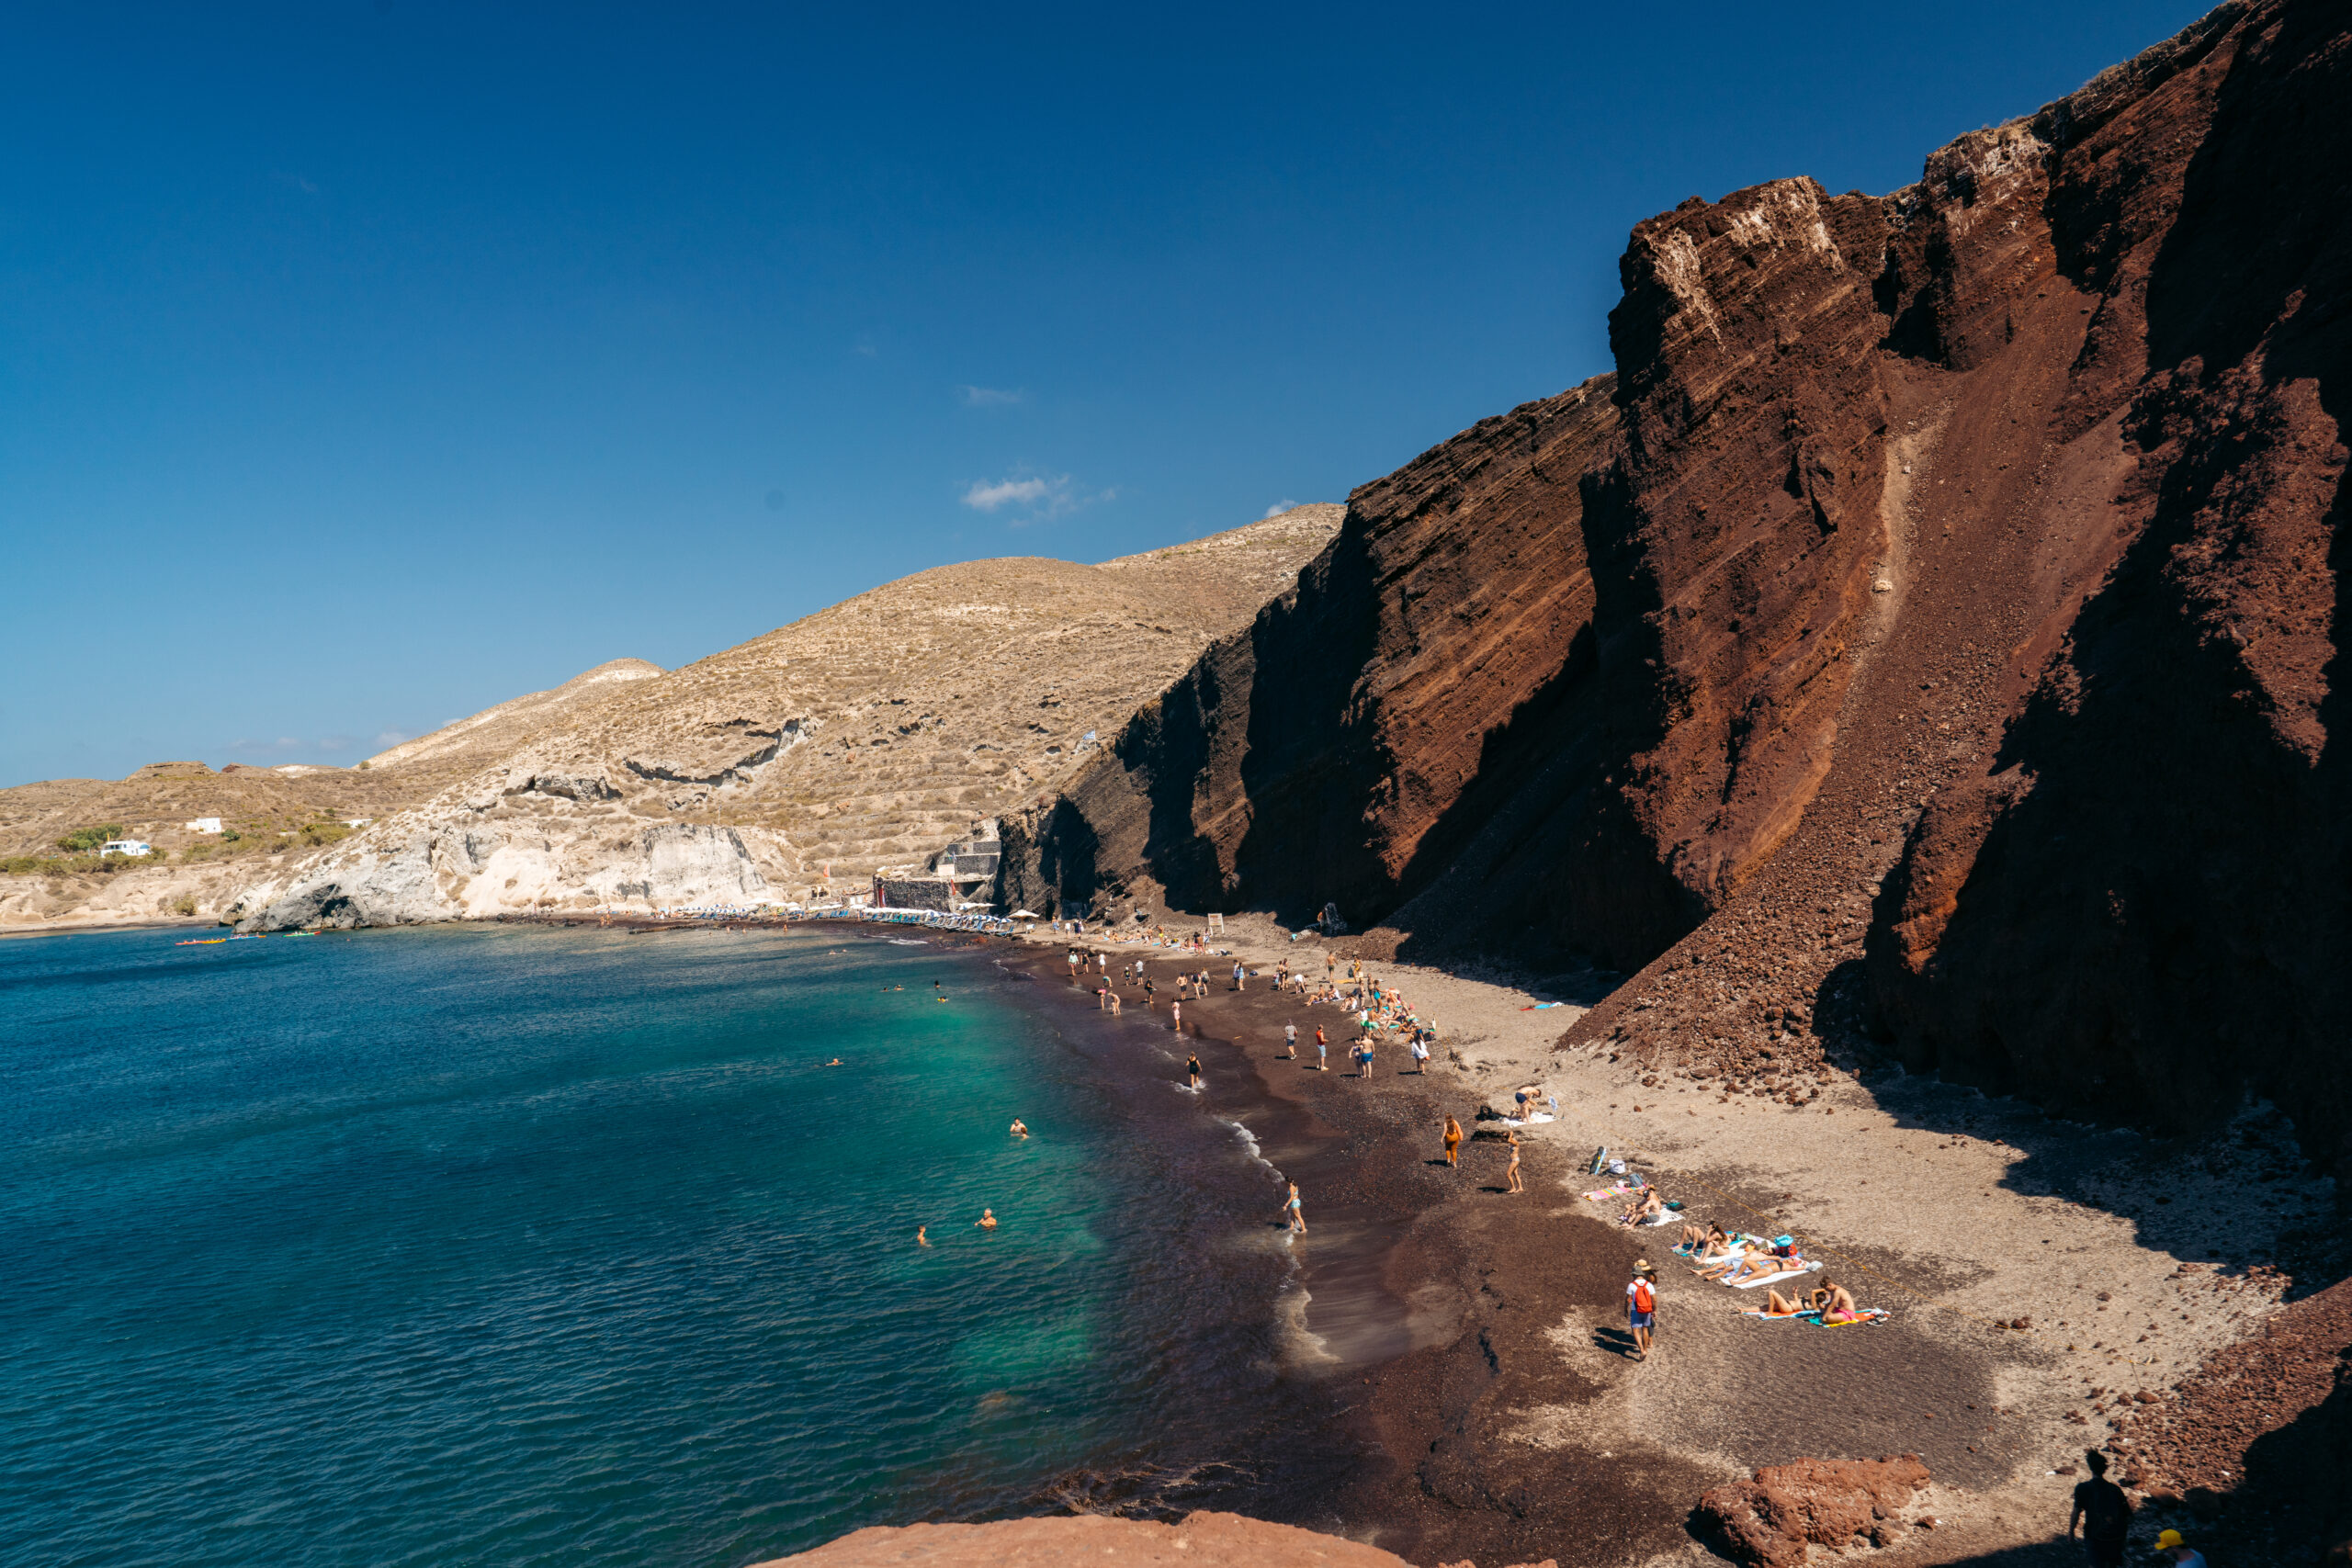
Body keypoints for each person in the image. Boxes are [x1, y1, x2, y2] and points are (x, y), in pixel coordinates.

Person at [2069, 1451, 2132, 1568]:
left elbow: (2076, 1513)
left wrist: (2071, 1532)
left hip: (2094, 1536)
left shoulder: (2083, 1488)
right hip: (2115, 1538)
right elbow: (2127, 1516)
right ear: (2105, 1469)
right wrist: (2122, 1539)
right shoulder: (2115, 1489)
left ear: (2090, 1467)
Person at [1626, 1261, 1658, 1360]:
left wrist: (1625, 1310)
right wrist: (1655, 1310)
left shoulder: (1632, 1285)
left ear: (1634, 1275)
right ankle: (1646, 1348)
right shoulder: (1649, 1285)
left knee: (1635, 1330)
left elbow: (1628, 1300)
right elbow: (1654, 1299)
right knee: (1645, 1329)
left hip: (1636, 1310)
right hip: (1647, 1310)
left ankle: (1642, 1350)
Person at [1504, 1129, 1525, 1194]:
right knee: (1515, 1174)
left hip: (1515, 1160)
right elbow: (1508, 1139)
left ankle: (1513, 1188)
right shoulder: (1511, 1141)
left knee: (1508, 1174)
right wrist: (1506, 1134)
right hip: (1513, 1160)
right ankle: (1520, 1187)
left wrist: (1511, 1133)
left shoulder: (1515, 1142)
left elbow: (1508, 1140)